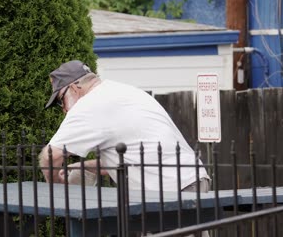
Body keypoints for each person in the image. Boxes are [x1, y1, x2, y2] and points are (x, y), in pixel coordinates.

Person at [39, 60, 210, 192]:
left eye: (61, 101)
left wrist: (57, 187)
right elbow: (132, 156)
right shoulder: (122, 91)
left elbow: (50, 156)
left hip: (169, 190)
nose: (64, 110)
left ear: (74, 88)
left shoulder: (88, 104)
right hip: (191, 179)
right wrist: (84, 166)